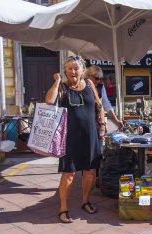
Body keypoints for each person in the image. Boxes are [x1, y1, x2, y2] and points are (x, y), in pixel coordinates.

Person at [45, 55, 102, 223]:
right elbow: (48, 101)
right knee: (69, 173)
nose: (73, 71)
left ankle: (85, 200)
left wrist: (103, 126)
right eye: (69, 68)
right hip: (69, 137)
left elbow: (99, 105)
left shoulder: (90, 84)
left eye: (76, 68)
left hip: (90, 135)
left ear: (82, 70)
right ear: (65, 71)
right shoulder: (62, 88)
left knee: (90, 171)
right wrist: (57, 81)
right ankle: (63, 207)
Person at [84, 65, 123, 187]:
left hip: (98, 124)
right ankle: (87, 178)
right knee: (86, 153)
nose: (99, 81)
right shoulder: (82, 86)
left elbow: (106, 103)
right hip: (85, 125)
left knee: (99, 152)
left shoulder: (100, 87)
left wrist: (116, 120)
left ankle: (97, 178)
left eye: (101, 78)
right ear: (88, 76)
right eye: (97, 78)